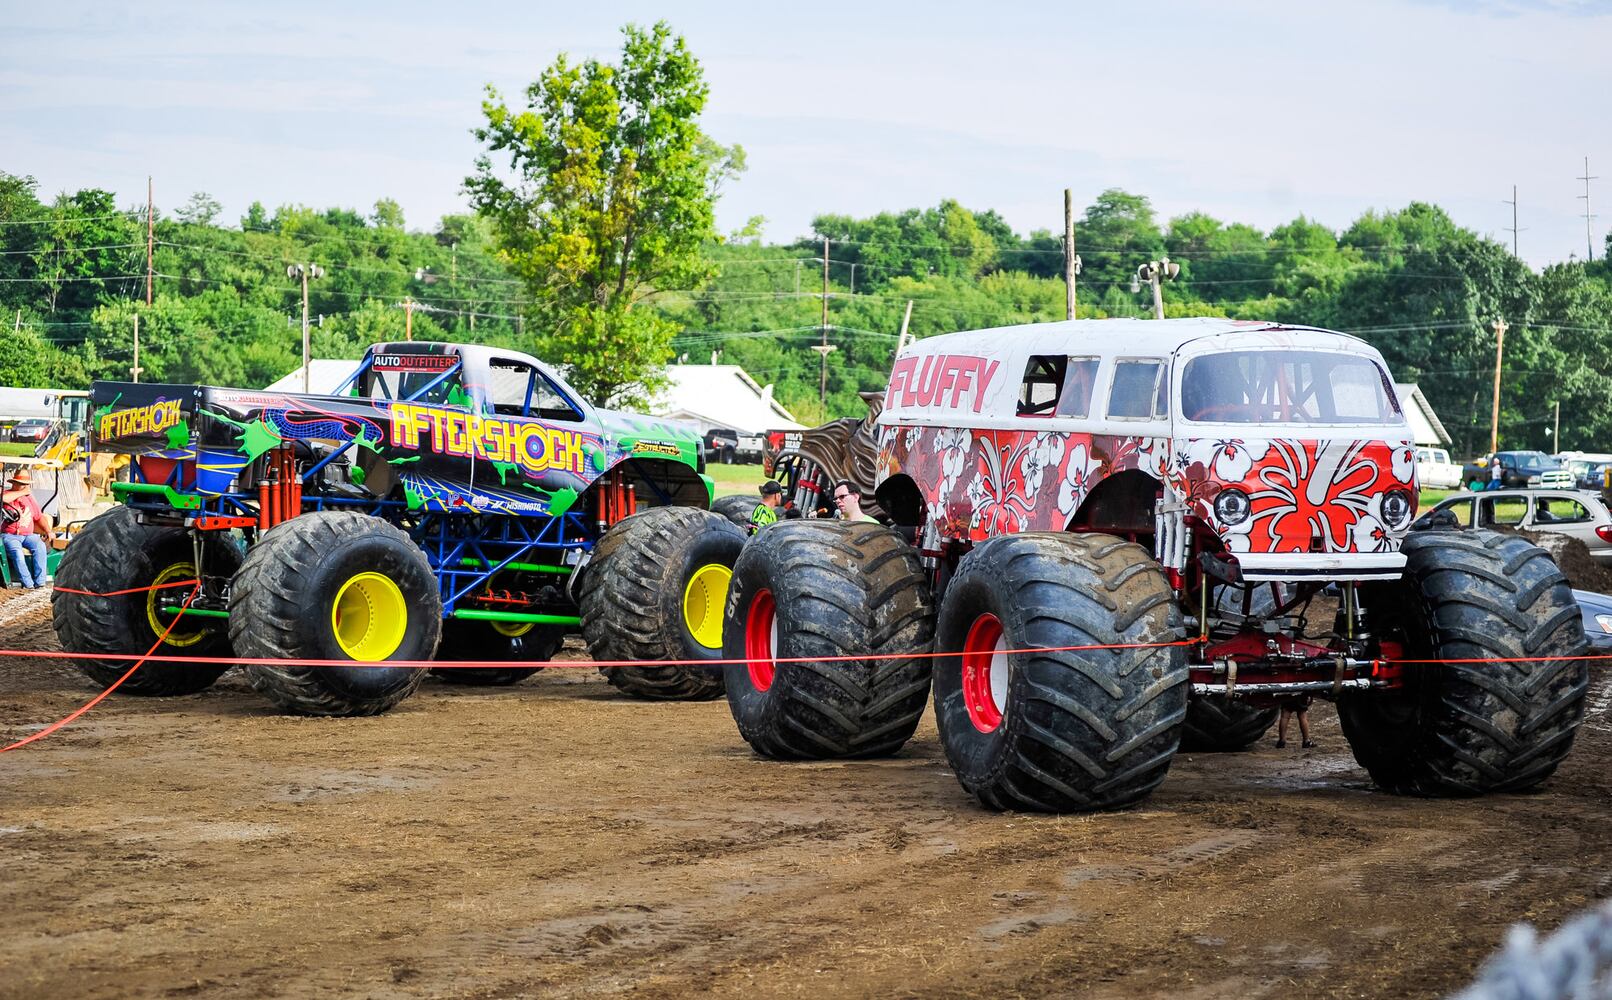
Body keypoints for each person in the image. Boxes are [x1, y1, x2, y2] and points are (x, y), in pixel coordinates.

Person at [2, 468, 55, 589]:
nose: (24, 487)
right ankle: (28, 585)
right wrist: (23, 492)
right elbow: (5, 499)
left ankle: (40, 583)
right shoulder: (5, 494)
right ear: (13, 483)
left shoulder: (29, 499)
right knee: (17, 553)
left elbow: (39, 516)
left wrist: (48, 531)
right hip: (10, 535)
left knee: (40, 547)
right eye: (21, 484)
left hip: (28, 535)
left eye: (26, 484)